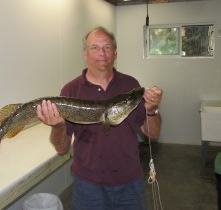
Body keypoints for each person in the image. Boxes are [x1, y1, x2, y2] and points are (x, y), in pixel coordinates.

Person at [36, 26, 162, 210]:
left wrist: (152, 109)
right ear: (85, 54)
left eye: (107, 47)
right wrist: (57, 127)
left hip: (130, 184)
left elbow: (154, 134)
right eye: (94, 47)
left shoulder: (131, 85)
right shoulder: (71, 91)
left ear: (115, 53)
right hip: (88, 187)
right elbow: (62, 148)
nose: (102, 53)